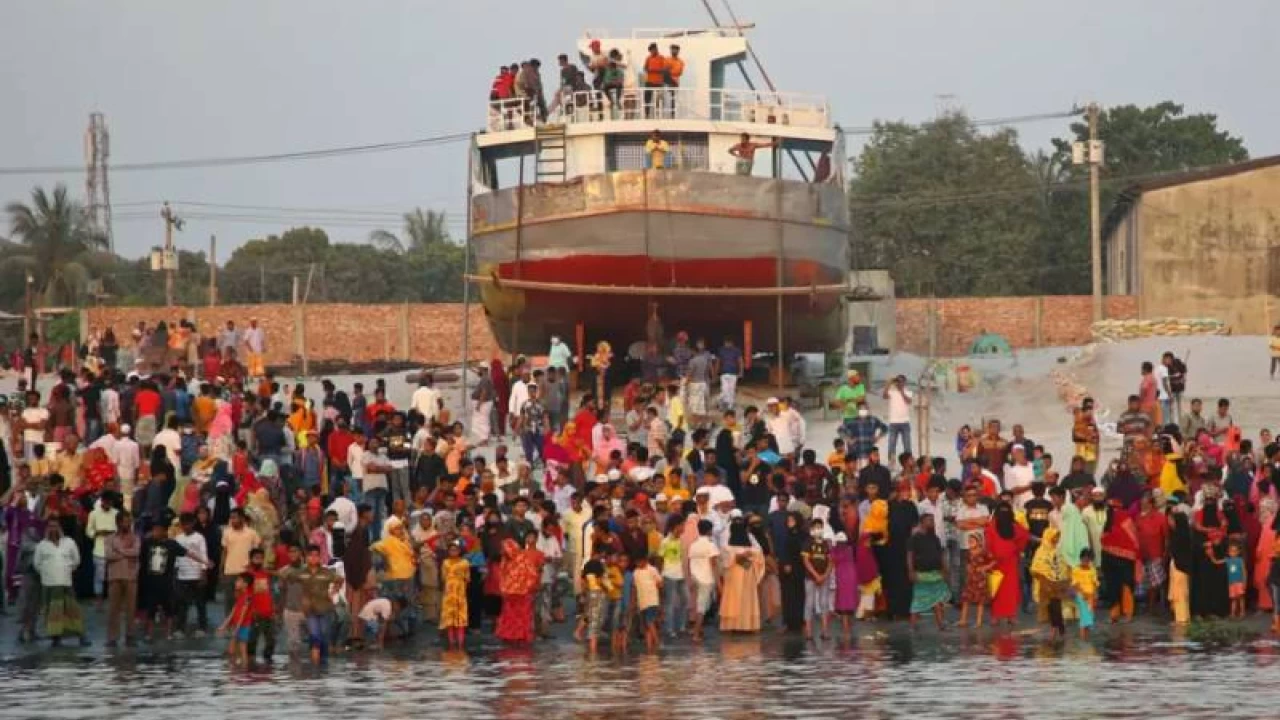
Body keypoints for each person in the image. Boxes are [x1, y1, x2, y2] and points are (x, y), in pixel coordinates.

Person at [33, 523, 89, 647]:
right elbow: (37, 564)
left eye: (55, 526)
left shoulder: (69, 542)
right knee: (52, 613)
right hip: (49, 584)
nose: (53, 529)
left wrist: (67, 569)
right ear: (47, 529)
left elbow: (76, 560)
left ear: (60, 528)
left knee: (72, 610)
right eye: (50, 526)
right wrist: (47, 571)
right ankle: (56, 638)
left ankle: (81, 636)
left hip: (65, 582)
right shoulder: (42, 545)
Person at [719, 513, 764, 633]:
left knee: (744, 599)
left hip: (745, 573)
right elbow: (725, 556)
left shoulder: (749, 541)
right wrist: (740, 555)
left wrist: (747, 554)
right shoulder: (727, 543)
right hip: (735, 575)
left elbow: (759, 552)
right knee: (735, 599)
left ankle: (747, 625)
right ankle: (732, 625)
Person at [495, 537, 541, 644]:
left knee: (522, 617)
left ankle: (521, 637)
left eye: (504, 549)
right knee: (509, 617)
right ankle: (509, 637)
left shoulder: (523, 559)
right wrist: (503, 589)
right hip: (509, 595)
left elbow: (533, 575)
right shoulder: (505, 560)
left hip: (523, 594)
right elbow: (502, 576)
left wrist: (528, 588)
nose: (502, 552)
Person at [908, 512, 949, 630]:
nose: (932, 522)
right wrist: (911, 571)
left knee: (938, 600)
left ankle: (941, 624)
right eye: (929, 520)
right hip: (921, 574)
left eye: (932, 520)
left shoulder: (935, 538)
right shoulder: (914, 539)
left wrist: (944, 569)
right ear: (922, 523)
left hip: (935, 573)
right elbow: (910, 556)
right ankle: (912, 626)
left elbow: (940, 555)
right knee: (918, 601)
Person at [104, 510, 139, 647]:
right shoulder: (110, 538)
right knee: (113, 609)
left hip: (130, 577)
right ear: (118, 522)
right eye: (125, 521)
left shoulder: (135, 538)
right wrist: (126, 553)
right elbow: (108, 555)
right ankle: (112, 637)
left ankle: (130, 636)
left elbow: (136, 552)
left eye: (129, 521)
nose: (128, 524)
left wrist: (119, 551)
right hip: (114, 576)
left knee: (131, 609)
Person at [1029, 527, 1070, 640]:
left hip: (1057, 583)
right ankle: (1058, 630)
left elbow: (1063, 566)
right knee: (1051, 608)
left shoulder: (1058, 551)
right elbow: (1035, 568)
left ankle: (1057, 630)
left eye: (1057, 537)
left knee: (1056, 607)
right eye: (1055, 536)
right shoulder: (1041, 551)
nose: (1056, 539)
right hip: (1046, 584)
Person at [687, 518, 720, 641]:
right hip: (706, 579)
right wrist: (719, 582)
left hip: (695, 577)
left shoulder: (693, 545)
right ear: (709, 531)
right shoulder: (711, 545)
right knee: (702, 607)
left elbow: (689, 562)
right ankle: (696, 634)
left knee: (698, 605)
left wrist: (690, 578)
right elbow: (714, 565)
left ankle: (698, 630)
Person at [439, 539, 470, 650]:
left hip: (460, 591)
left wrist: (459, 579)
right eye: (451, 550)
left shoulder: (465, 562)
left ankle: (461, 643)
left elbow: (468, 578)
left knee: (460, 618)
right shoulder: (445, 562)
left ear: (460, 551)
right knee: (449, 618)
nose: (453, 552)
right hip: (449, 591)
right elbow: (443, 577)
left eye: (455, 550)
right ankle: (451, 643)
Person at [958, 532, 993, 628]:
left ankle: (978, 622)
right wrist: (967, 568)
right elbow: (968, 563)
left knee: (980, 601)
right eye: (969, 541)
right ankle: (963, 620)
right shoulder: (968, 552)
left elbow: (994, 561)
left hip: (980, 580)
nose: (970, 542)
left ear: (979, 542)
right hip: (970, 579)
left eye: (972, 541)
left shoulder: (984, 552)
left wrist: (985, 567)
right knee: (965, 599)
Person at [882, 374, 914, 463]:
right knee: (891, 444)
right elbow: (884, 396)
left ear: (904, 382)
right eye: (898, 381)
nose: (899, 383)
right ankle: (891, 462)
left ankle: (908, 462)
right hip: (893, 422)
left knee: (907, 445)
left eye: (901, 381)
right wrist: (888, 384)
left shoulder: (908, 392)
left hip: (905, 422)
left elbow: (908, 401)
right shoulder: (892, 392)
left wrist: (901, 391)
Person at [1072, 548, 1099, 639]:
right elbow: (1075, 584)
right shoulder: (1076, 569)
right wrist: (1083, 593)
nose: (1086, 561)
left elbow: (1095, 582)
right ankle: (1083, 638)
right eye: (1084, 559)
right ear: (1081, 558)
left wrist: (1095, 594)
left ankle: (1086, 637)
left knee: (1089, 617)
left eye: (1088, 560)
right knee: (1084, 616)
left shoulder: (1092, 569)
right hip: (1081, 595)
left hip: (1091, 595)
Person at [1225, 540, 1247, 619]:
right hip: (1231, 583)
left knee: (1241, 598)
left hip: (1239, 582)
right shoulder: (1227, 560)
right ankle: (1233, 613)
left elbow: (1244, 571)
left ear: (1238, 552)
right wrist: (1211, 556)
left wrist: (1244, 582)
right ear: (1228, 552)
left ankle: (1242, 612)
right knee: (1233, 599)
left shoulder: (1240, 560)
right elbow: (1217, 562)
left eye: (1234, 551)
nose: (1232, 553)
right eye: (1231, 551)